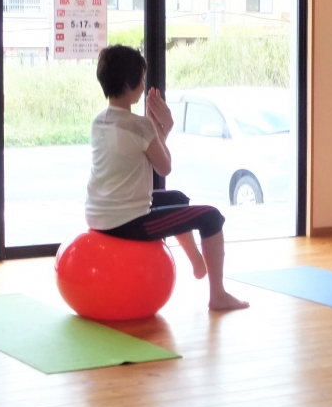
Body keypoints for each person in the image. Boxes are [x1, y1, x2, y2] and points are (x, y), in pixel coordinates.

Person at [85, 44, 249, 311]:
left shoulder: (98, 121)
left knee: (177, 198)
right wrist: (163, 127)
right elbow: (165, 167)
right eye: (141, 80)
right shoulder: (140, 125)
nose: (143, 85)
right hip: (128, 222)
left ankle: (197, 262)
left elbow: (144, 154)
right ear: (129, 84)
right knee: (211, 217)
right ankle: (218, 295)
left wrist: (156, 130)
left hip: (98, 215)